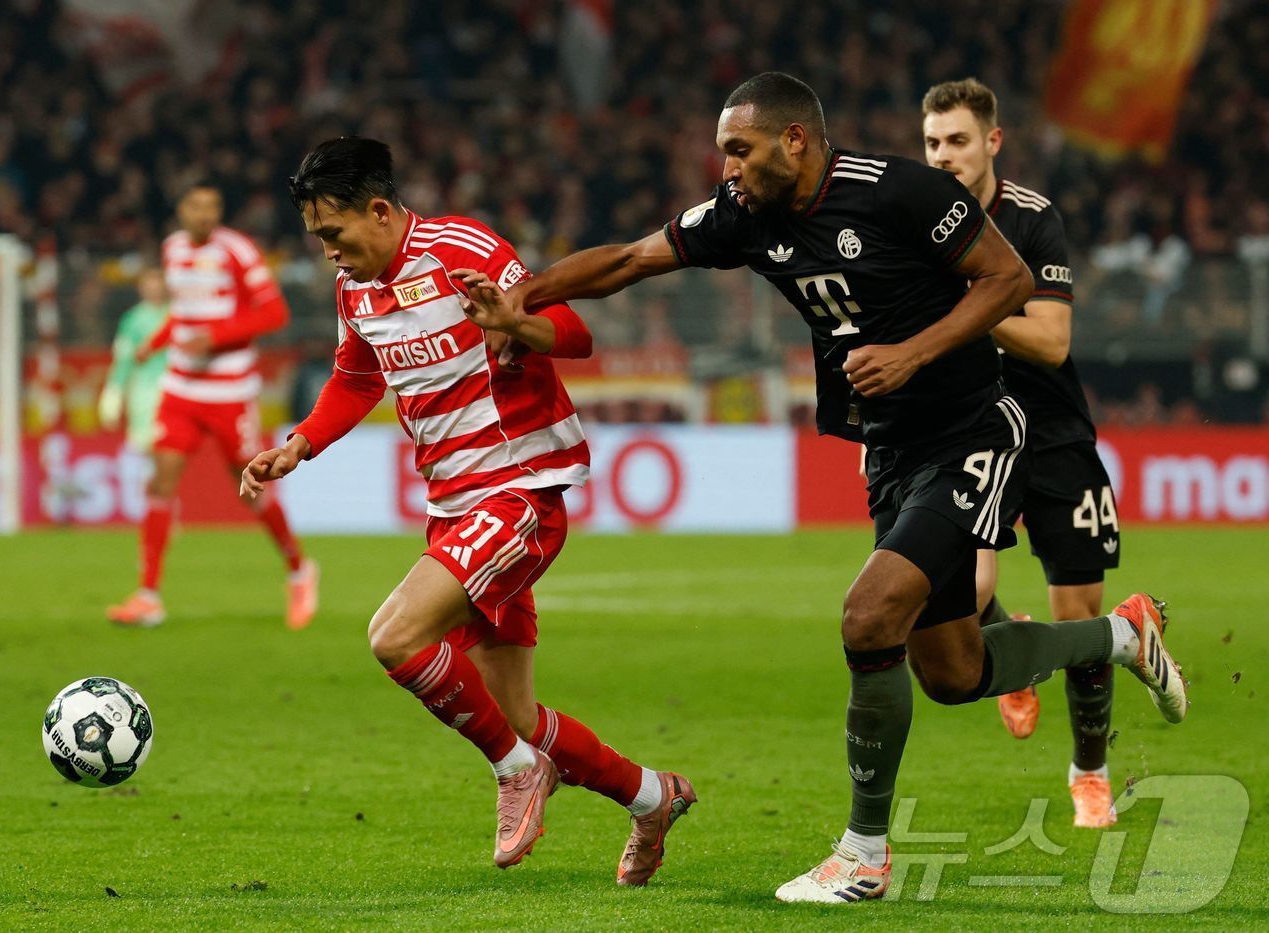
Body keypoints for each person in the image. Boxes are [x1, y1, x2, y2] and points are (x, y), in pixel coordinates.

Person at [462, 72, 1187, 905]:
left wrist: (913, 352)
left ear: (794, 140)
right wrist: (523, 293)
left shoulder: (900, 192)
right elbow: (631, 258)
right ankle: (1120, 637)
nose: (727, 167)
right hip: (891, 452)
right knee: (953, 672)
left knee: (868, 614)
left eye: (740, 149)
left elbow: (1008, 281)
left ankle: (864, 856)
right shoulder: (745, 216)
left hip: (974, 433)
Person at [239, 137, 695, 884]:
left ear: (380, 210)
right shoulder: (355, 291)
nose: (328, 252)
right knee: (517, 715)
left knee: (395, 635)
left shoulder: (464, 248)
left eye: (334, 234)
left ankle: (518, 773)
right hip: (454, 509)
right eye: (317, 239)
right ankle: (652, 796)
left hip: (519, 492)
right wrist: (298, 444)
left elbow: (575, 334)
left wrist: (513, 321)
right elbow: (356, 379)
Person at [922, 78, 1125, 828]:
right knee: (965, 595)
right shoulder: (916, 222)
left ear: (992, 143)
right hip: (971, 428)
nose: (944, 156)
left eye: (958, 141)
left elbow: (1052, 339)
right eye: (934, 142)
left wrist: (976, 305)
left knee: (1083, 617)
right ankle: (1015, 655)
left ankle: (1090, 770)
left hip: (1054, 432)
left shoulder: (1032, 221)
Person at [107, 181, 318, 630]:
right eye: (196, 206)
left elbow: (274, 313)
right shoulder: (172, 250)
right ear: (181, 209)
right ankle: (148, 594)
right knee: (160, 482)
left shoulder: (237, 251)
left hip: (229, 393)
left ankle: (299, 570)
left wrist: (217, 337)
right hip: (181, 389)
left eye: (213, 207)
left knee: (253, 486)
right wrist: (157, 343)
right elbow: (184, 315)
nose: (205, 215)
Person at [98, 268, 169, 452]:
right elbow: (123, 359)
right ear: (141, 288)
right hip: (143, 391)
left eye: (157, 285)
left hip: (172, 390)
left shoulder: (173, 315)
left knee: (169, 449)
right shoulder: (132, 320)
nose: (154, 290)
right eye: (149, 286)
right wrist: (113, 393)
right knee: (142, 446)